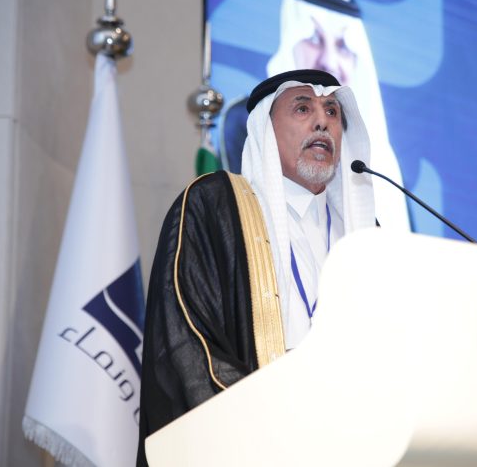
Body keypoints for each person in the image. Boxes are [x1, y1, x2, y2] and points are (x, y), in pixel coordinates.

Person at [136, 69, 376, 466]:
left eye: (332, 111)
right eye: (303, 108)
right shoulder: (213, 207)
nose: (322, 121)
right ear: (265, 129)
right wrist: (273, 424)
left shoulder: (367, 239)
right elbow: (185, 342)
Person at [219, 0, 410, 232]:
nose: (329, 61)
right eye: (314, 39)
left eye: (331, 111)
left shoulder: (376, 170)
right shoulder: (246, 124)